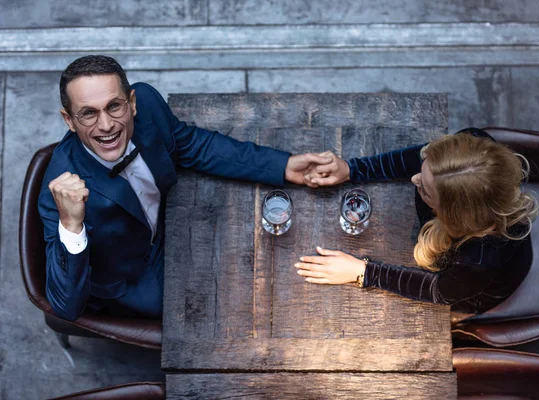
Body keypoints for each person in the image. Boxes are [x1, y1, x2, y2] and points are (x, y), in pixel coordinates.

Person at [39, 55, 333, 321]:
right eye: (88, 113)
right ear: (69, 120)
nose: (106, 125)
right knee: (227, 311)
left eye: (114, 106)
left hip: (176, 224)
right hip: (135, 279)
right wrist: (72, 224)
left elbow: (193, 145)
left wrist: (282, 166)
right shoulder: (60, 195)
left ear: (132, 102)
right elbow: (65, 306)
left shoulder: (149, 105)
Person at [295, 128, 538, 314]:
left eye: (425, 189)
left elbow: (438, 291)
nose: (413, 179)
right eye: (424, 169)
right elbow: (416, 158)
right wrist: (351, 169)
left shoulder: (479, 259)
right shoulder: (471, 147)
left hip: (474, 291)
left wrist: (363, 271)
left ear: (453, 215)